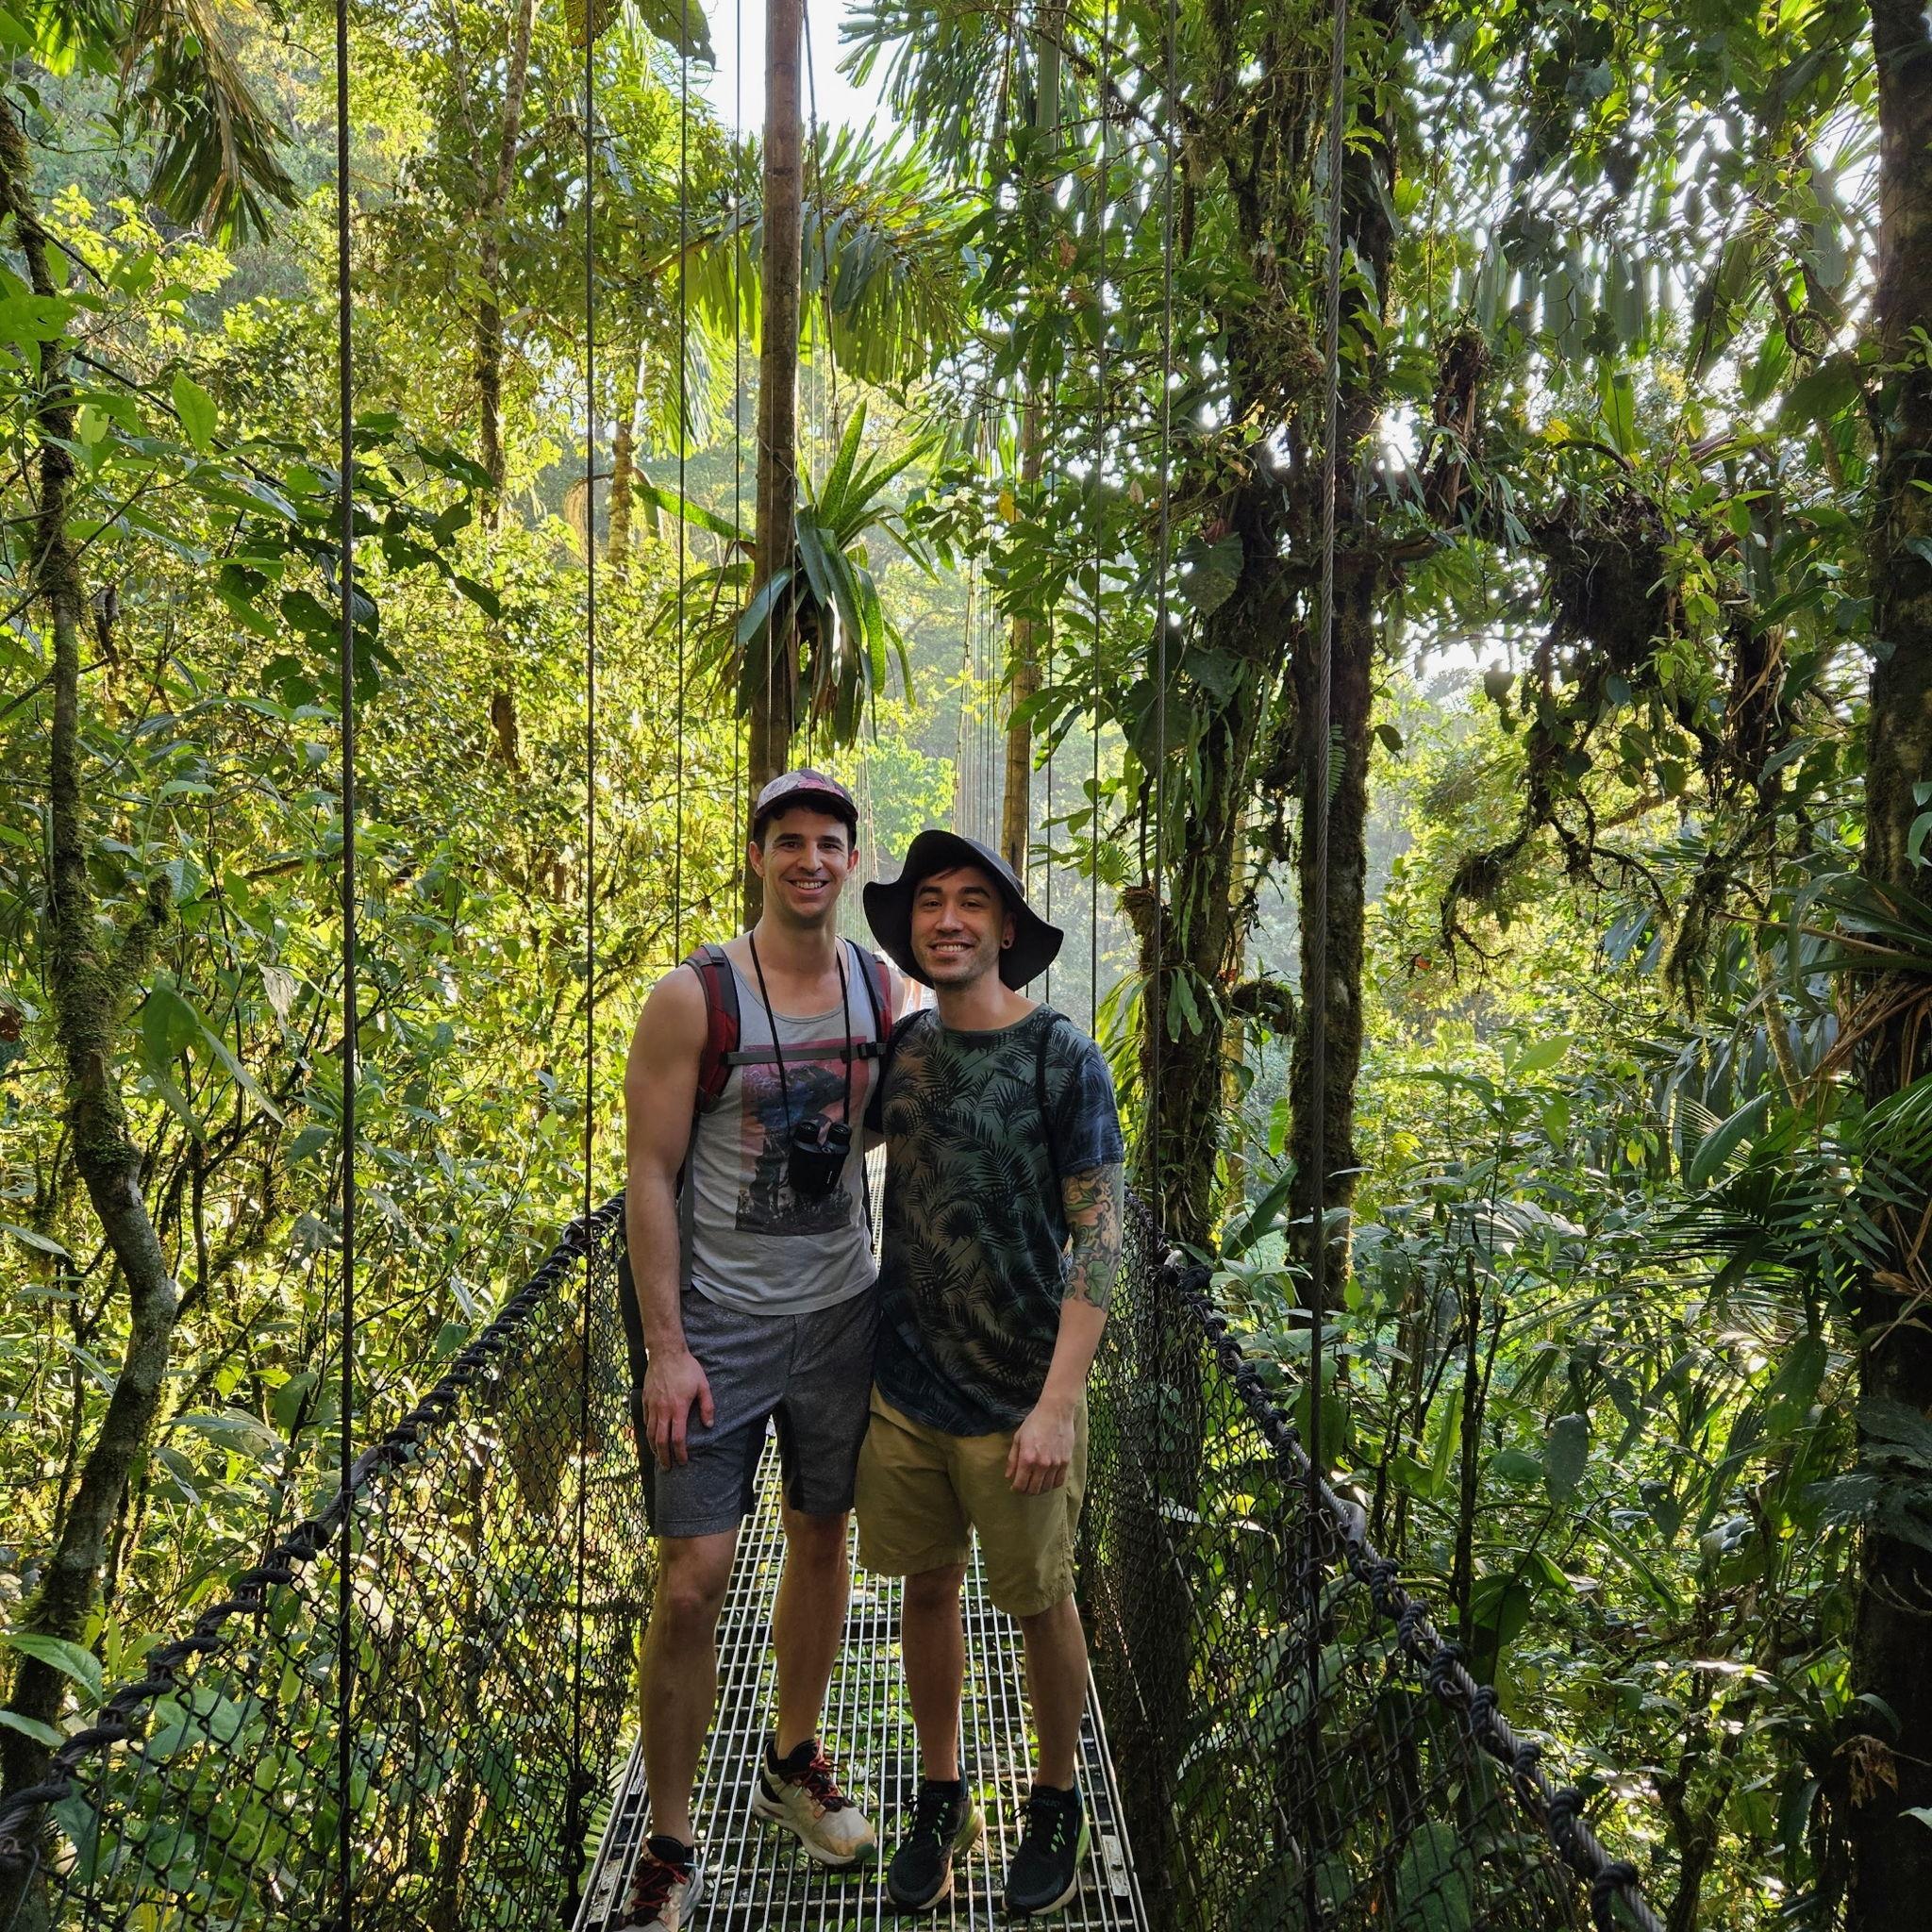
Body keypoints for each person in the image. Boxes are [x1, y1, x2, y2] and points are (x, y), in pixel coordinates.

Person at [617, 770, 896, 1928]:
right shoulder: (693, 998)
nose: (809, 860)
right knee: (691, 1580)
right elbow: (646, 1171)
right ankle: (669, 1838)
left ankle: (790, 1761)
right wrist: (666, 1345)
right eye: (788, 840)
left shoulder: (878, 986)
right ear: (757, 856)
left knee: (821, 1534)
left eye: (828, 842)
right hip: (716, 1325)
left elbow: (891, 1123)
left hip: (840, 1313)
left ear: (850, 860)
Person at [856, 830, 1125, 1918]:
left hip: (1020, 1397)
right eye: (929, 900)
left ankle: (1054, 1797)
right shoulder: (905, 1048)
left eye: (972, 901)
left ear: (1005, 929)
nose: (948, 918)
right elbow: (827, 1140)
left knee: (1040, 1601)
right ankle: (942, 1793)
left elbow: (1100, 1235)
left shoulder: (1062, 1056)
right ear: (911, 927)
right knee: (925, 1587)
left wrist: (1057, 1404)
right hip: (905, 1389)